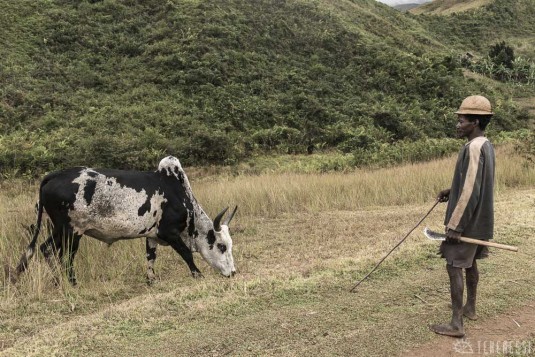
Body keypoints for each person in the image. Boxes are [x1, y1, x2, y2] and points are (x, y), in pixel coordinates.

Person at [430, 95, 496, 338]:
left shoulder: (474, 147)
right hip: (480, 220)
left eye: (462, 121)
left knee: (455, 265)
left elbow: (470, 191)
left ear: (476, 121)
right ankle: (470, 307)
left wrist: (456, 226)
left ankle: (456, 324)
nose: (458, 125)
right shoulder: (485, 144)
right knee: (470, 263)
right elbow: (472, 183)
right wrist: (451, 190)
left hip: (467, 222)